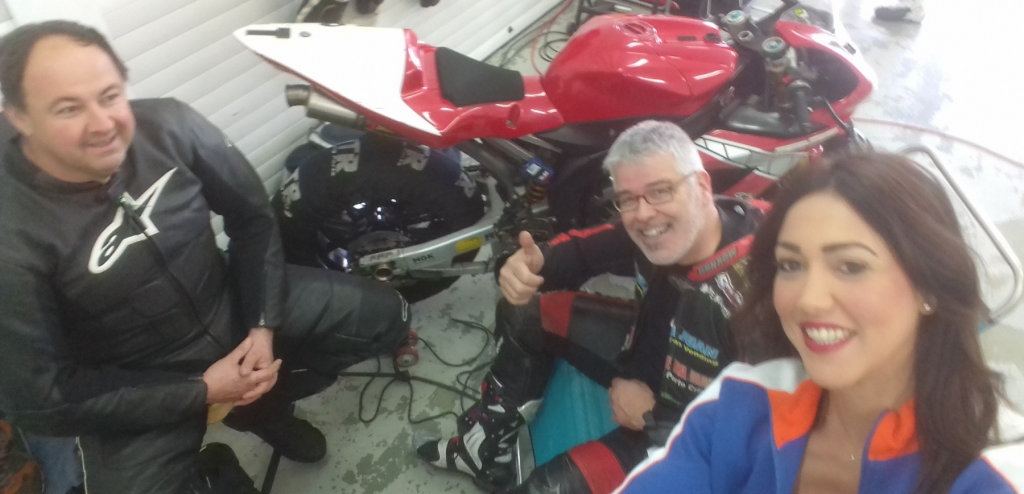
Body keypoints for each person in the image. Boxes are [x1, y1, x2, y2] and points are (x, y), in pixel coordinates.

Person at [0, 21, 410, 494]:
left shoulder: (171, 126)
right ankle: (214, 472)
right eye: (68, 109)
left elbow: (252, 217)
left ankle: (260, 411)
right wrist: (202, 391)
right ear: (20, 118)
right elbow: (43, 399)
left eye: (109, 96)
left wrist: (262, 326)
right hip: (134, 377)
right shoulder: (11, 233)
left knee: (387, 317)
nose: (102, 124)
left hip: (227, 302)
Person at [615, 152, 1024, 493]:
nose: (809, 300)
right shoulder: (743, 402)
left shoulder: (995, 473)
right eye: (791, 265)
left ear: (928, 287)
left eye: (851, 266)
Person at [416, 120, 767, 492]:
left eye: (660, 191)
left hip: (684, 428)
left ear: (702, 186)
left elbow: (767, 448)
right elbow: (585, 249)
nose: (643, 215)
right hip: (643, 352)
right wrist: (528, 264)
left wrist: (654, 419)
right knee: (524, 312)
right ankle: (483, 451)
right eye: (627, 199)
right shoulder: (658, 225)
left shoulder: (764, 291)